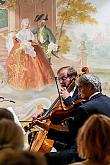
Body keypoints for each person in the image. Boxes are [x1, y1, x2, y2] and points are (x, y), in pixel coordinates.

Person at [34, 73, 110, 165]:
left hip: (84, 153)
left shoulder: (85, 108)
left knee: (43, 158)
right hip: (105, 151)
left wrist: (46, 127)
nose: (78, 92)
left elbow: (70, 138)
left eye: (80, 87)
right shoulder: (107, 100)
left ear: (89, 86)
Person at [6, 18, 55, 90]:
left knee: (37, 65)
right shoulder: (20, 32)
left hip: (30, 47)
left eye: (28, 23)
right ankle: (23, 84)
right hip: (22, 49)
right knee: (23, 66)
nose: (27, 25)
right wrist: (21, 44)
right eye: (26, 23)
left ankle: (38, 83)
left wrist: (31, 43)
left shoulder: (30, 32)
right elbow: (15, 39)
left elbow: (33, 39)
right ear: (22, 24)